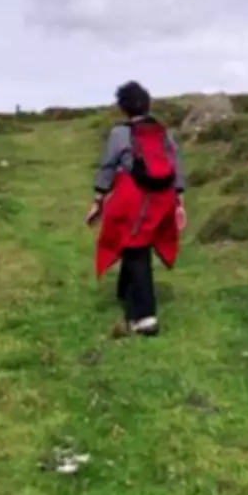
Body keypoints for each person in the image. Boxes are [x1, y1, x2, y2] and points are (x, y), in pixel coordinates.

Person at [86, 81, 186, 337]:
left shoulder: (120, 133)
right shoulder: (163, 132)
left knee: (134, 248)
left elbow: (108, 167)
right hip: (162, 198)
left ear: (123, 107)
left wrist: (98, 200)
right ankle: (125, 295)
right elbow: (176, 165)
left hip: (134, 198)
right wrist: (179, 202)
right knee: (138, 245)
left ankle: (144, 317)